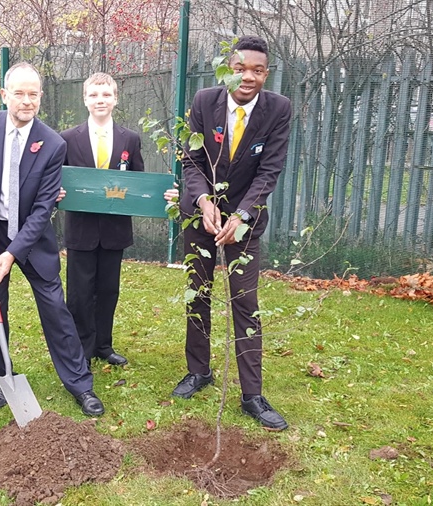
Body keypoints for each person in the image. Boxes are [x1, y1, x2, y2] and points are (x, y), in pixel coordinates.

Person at [0, 62, 105, 417]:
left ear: (40, 98)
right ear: (5, 95)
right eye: (19, 94)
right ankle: (1, 378)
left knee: (55, 309)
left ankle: (81, 385)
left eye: (33, 94)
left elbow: (43, 207)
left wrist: (14, 252)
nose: (26, 101)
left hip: (32, 239)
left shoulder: (52, 144)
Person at [172, 36, 292, 430]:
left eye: (257, 71)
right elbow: (191, 160)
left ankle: (252, 395)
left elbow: (269, 169)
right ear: (228, 68)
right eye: (241, 68)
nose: (248, 77)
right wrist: (205, 203)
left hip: (245, 221)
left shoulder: (278, 110)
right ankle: (199, 371)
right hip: (201, 217)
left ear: (266, 74)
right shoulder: (205, 101)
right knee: (199, 293)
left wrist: (240, 215)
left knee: (246, 302)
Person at [59, 72, 144, 369]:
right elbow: (58, 180)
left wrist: (160, 195)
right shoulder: (68, 138)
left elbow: (138, 184)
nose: (100, 100)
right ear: (85, 99)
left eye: (106, 95)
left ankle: (103, 345)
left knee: (108, 289)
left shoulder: (129, 140)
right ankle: (81, 348)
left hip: (114, 230)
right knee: (80, 292)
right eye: (94, 95)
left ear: (115, 99)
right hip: (81, 230)